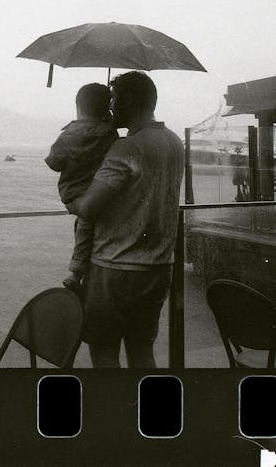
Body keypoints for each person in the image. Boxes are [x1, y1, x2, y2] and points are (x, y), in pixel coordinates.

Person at [66, 71, 184, 369]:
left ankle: (114, 414)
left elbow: (90, 206)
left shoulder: (127, 147)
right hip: (158, 268)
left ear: (130, 100)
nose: (110, 107)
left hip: (115, 269)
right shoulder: (174, 143)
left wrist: (70, 197)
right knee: (142, 352)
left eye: (115, 99)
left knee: (105, 354)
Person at [45, 83, 118, 292]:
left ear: (78, 107)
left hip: (73, 194)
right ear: (108, 108)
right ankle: (78, 272)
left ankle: (76, 272)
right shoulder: (110, 133)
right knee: (86, 226)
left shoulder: (68, 134)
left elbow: (54, 162)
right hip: (101, 193)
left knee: (84, 225)